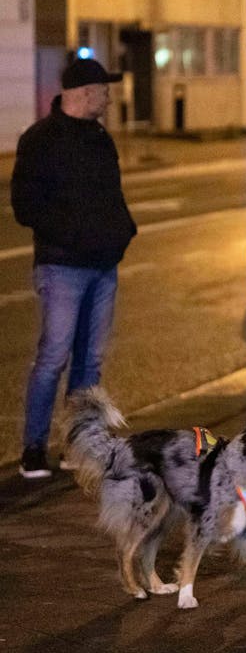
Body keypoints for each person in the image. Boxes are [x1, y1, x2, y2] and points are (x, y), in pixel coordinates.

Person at [11, 57, 136, 478]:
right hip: (62, 266)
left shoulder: (100, 137)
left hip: (103, 265)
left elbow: (111, 195)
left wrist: (121, 232)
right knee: (53, 357)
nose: (109, 96)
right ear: (84, 94)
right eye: (104, 89)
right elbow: (25, 206)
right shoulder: (40, 140)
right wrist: (75, 235)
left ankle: (77, 447)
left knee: (89, 362)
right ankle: (33, 449)